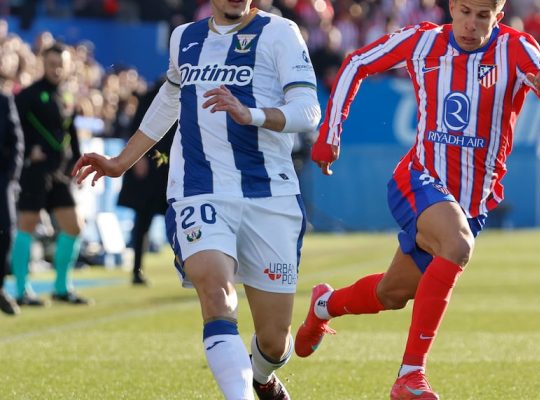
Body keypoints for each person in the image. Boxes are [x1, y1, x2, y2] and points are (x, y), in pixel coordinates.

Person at [294, 1, 540, 398]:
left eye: (483, 16)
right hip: (418, 178)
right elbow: (357, 62)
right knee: (457, 244)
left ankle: (323, 306)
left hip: (470, 203)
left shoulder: (518, 49)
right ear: (451, 8)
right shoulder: (423, 40)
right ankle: (410, 376)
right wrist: (330, 132)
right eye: (464, 11)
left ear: (497, 16)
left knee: (391, 294)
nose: (471, 24)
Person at [71, 0, 321, 398]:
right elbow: (170, 101)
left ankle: (262, 377)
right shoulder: (184, 38)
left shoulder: (280, 33)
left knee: (274, 342)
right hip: (197, 189)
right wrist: (121, 162)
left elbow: (308, 111)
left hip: (269, 194)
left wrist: (250, 113)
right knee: (216, 293)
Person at [12, 44, 89, 306]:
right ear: (42, 64)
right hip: (34, 172)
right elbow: (13, 128)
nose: (56, 68)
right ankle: (21, 291)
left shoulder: (66, 96)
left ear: (68, 66)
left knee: (74, 226)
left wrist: (78, 161)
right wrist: (26, 152)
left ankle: (61, 288)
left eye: (60, 64)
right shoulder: (29, 95)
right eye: (51, 63)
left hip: (59, 173)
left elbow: (71, 132)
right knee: (27, 226)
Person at [116, 78, 176, 286]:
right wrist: (138, 157)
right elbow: (137, 126)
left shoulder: (189, 89)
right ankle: (137, 270)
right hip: (151, 165)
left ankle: (189, 267)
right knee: (143, 221)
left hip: (174, 166)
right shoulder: (152, 94)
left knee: (181, 218)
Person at [0, 87, 23, 316]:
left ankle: (0, 287)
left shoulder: (5, 100)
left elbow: (17, 141)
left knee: (7, 231)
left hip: (1, 179)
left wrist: (11, 176)